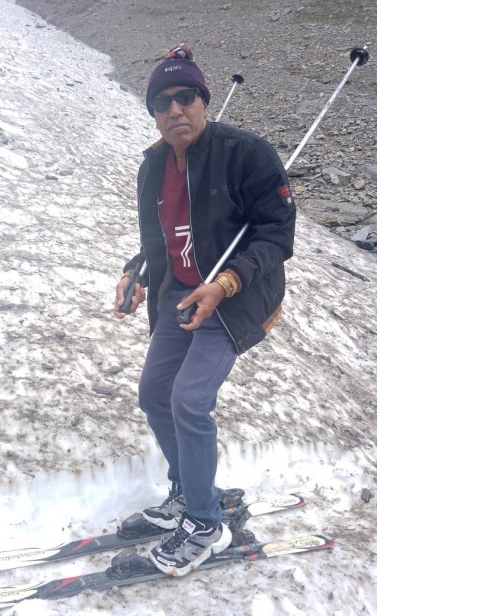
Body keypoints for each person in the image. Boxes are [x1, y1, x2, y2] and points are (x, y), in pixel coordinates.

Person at [113, 43, 297, 577]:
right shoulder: (152, 167)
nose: (175, 109)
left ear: (204, 100)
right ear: (153, 112)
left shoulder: (246, 153)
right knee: (154, 394)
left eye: (185, 96)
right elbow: (157, 240)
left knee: (189, 401)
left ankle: (205, 522)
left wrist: (229, 281)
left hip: (236, 296)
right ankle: (188, 487)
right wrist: (137, 273)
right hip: (181, 295)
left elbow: (277, 233)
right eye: (161, 101)